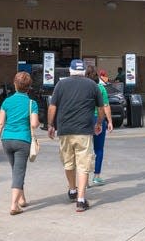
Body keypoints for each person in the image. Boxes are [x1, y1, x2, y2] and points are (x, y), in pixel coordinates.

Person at [47, 59, 105, 213]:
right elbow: (101, 108)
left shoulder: (61, 84)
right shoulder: (92, 85)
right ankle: (80, 200)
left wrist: (50, 125)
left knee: (68, 163)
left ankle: (72, 190)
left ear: (71, 71)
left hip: (65, 130)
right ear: (84, 71)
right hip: (84, 130)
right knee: (83, 164)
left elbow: (52, 106)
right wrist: (99, 123)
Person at [0, 71, 40, 216]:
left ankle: (22, 199)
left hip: (7, 140)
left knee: (16, 170)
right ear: (29, 87)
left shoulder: (7, 101)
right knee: (19, 171)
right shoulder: (32, 103)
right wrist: (36, 121)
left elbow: (0, 123)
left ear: (14, 84)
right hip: (23, 140)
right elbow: (34, 123)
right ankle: (14, 205)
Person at [87, 66, 113, 186]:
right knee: (99, 149)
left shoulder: (82, 88)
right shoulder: (101, 88)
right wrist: (110, 122)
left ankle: (84, 179)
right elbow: (106, 106)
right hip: (98, 119)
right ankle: (96, 176)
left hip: (84, 120)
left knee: (85, 150)